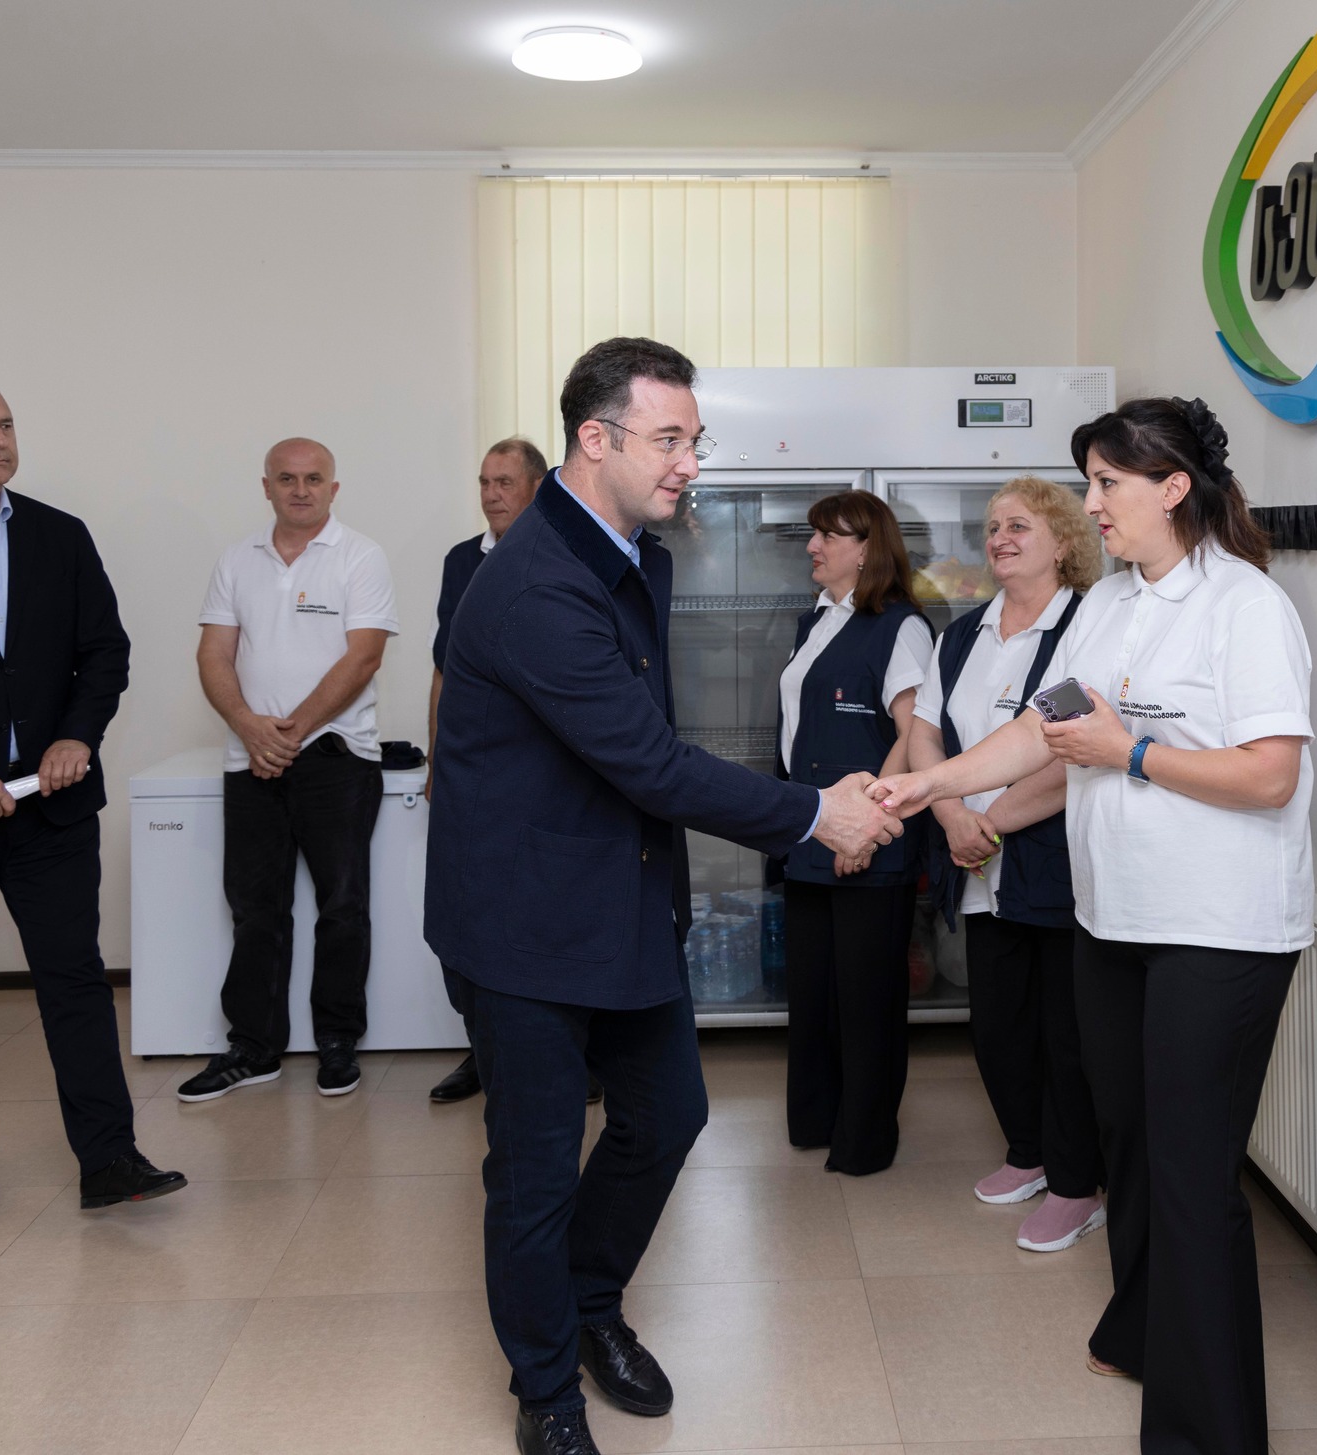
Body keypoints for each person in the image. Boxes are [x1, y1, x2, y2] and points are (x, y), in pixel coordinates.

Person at [424, 336, 903, 1455]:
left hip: (622, 894)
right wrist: (813, 812)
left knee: (668, 1115)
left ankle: (588, 1301)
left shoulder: (635, 552)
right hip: (525, 918)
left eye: (695, 438)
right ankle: (546, 1390)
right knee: (534, 1172)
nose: (691, 461)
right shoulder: (537, 582)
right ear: (595, 440)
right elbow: (646, 761)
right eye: (670, 439)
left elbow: (641, 748)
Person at [872, 396, 1314, 1455]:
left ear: (1174, 488)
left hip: (1218, 928)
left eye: (1108, 484)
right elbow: (1043, 728)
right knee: (1132, 1147)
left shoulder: (1245, 606)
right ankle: (1145, 1329)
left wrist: (1132, 755)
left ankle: (1208, 1429)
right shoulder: (1110, 602)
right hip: (1113, 919)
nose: (1093, 504)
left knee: (1190, 1172)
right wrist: (925, 786)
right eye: (1088, 483)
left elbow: (1269, 775)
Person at [0, 374, 185, 1230]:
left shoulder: (61, 535)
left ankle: (108, 1158)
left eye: (5, 423)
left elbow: (105, 651)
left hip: (52, 808)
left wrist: (76, 736)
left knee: (74, 981)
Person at [906, 474, 1107, 1250]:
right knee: (997, 1024)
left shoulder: (1085, 629)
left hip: (1054, 864)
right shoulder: (964, 634)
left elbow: (1070, 752)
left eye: (1019, 525)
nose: (1000, 538)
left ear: (1064, 541)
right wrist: (952, 814)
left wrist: (987, 821)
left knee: (1068, 1034)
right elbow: (926, 734)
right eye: (993, 527)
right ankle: (1028, 1152)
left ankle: (1076, 1183)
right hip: (977, 866)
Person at [179, 438, 399, 1101]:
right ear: (266, 486)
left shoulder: (361, 556)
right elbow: (213, 654)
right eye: (287, 478)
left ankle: (337, 1042)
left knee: (343, 906)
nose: (300, 490)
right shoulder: (236, 559)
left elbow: (363, 657)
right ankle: (253, 1048)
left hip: (336, 758)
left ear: (333, 488)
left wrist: (292, 731)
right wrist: (250, 726)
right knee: (255, 910)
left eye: (313, 479)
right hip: (250, 758)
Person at [422, 437, 601, 1109]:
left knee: (551, 912)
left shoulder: (567, 553)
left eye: (504, 482)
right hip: (476, 771)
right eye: (484, 482)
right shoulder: (461, 561)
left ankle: (577, 1056)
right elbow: (445, 669)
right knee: (475, 912)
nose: (492, 494)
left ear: (536, 485)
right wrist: (438, 757)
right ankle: (485, 1051)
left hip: (549, 771)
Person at [779, 491, 933, 1176]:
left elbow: (913, 733)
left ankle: (865, 1140)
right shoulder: (815, 621)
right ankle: (817, 1121)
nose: (813, 546)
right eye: (813, 534)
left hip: (869, 838)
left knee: (867, 999)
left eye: (829, 536)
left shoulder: (900, 628)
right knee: (813, 992)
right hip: (811, 831)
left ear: (868, 549)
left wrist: (868, 827)